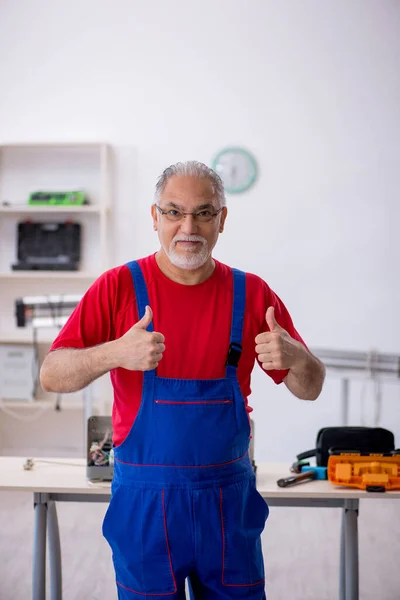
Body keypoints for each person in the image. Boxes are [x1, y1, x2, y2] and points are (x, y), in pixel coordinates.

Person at [40, 161, 325, 600]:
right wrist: (116, 352)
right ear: (154, 217)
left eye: (204, 213)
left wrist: (298, 357)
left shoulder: (252, 295)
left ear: (222, 220)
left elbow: (310, 387)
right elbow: (52, 375)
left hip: (228, 508)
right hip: (144, 508)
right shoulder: (116, 288)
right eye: (174, 212)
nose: (187, 226)